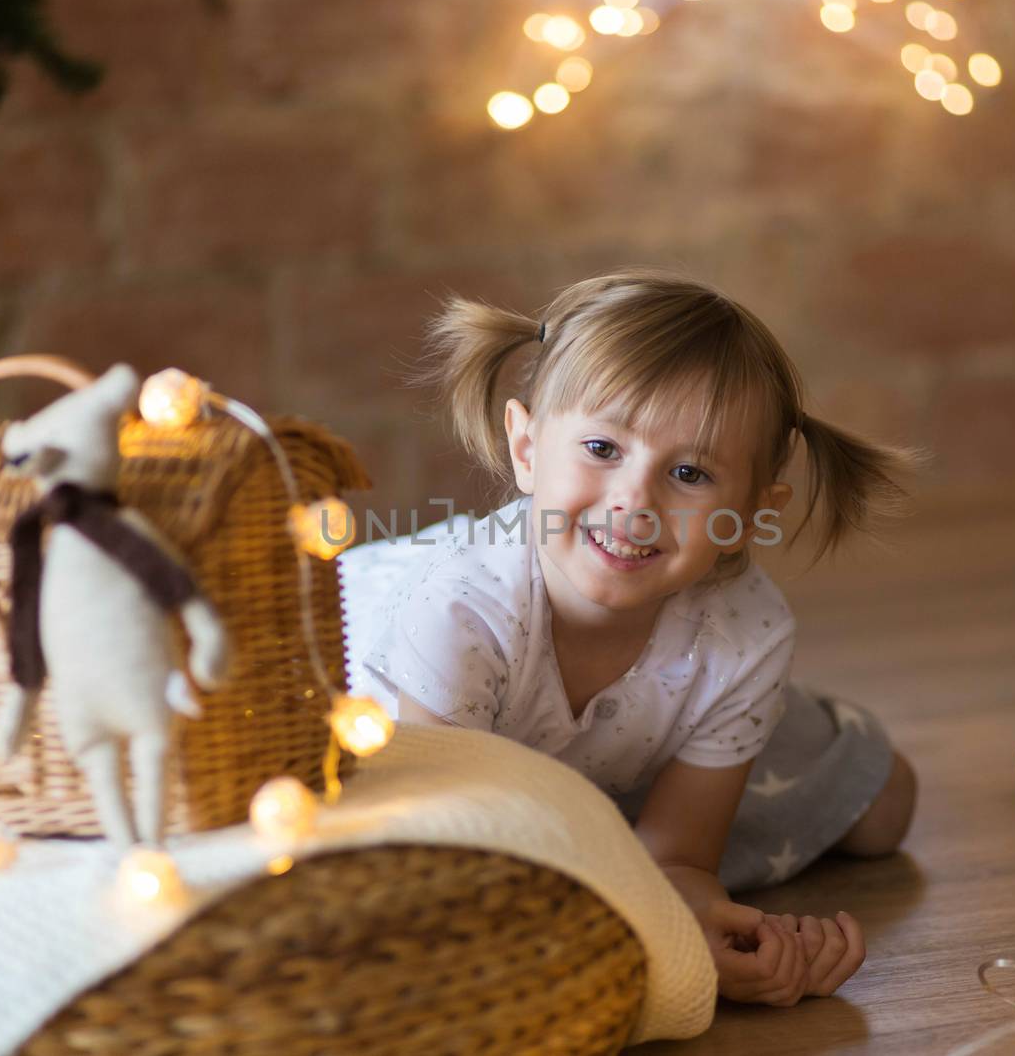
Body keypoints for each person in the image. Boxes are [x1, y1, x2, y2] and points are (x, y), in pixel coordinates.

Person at [340, 268, 919, 1007]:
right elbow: (448, 854)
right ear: (526, 448)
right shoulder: (458, 612)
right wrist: (657, 943)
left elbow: (677, 863)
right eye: (603, 449)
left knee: (884, 808)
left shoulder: (745, 629)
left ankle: (739, 726)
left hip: (621, 718)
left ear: (748, 512)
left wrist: (711, 930)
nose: (634, 502)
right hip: (424, 761)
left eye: (688, 472)